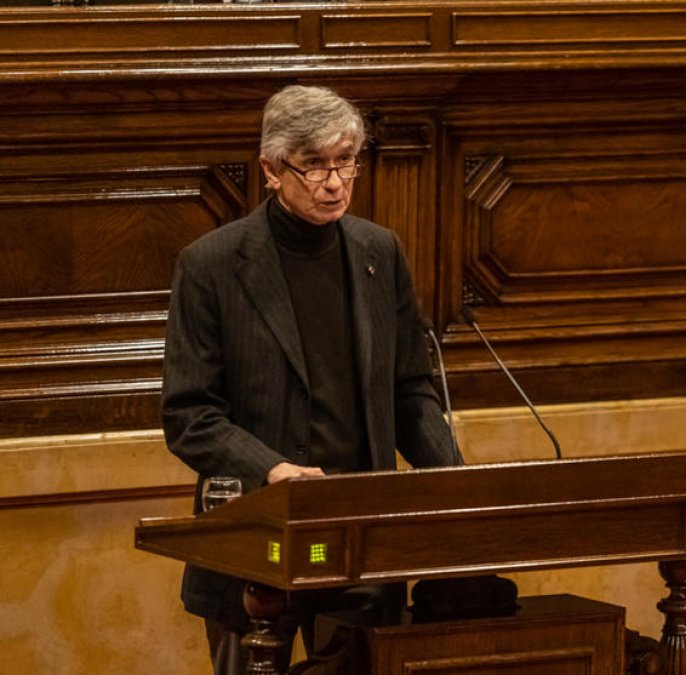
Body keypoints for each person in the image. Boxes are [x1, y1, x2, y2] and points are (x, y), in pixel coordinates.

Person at [161, 84, 463, 674]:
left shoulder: (379, 251)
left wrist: (455, 483)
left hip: (360, 540)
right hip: (256, 542)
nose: (335, 183)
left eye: (346, 161)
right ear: (272, 170)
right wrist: (273, 470)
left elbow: (410, 390)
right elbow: (189, 414)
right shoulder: (211, 265)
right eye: (314, 165)